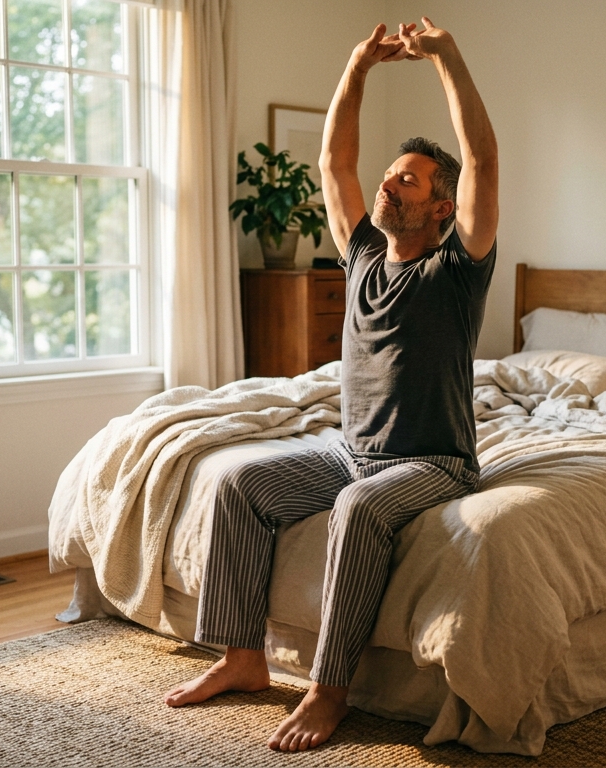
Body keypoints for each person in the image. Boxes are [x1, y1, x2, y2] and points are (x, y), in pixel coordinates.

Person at [164, 17, 498, 753]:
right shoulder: (364, 257)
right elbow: (333, 163)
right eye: (391, 171)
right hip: (353, 447)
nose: (387, 181)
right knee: (238, 483)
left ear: (441, 207)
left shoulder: (457, 272)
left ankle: (328, 688)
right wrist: (356, 64)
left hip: (431, 463)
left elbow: (480, 158)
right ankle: (243, 658)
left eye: (406, 178)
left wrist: (447, 55)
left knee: (358, 508)